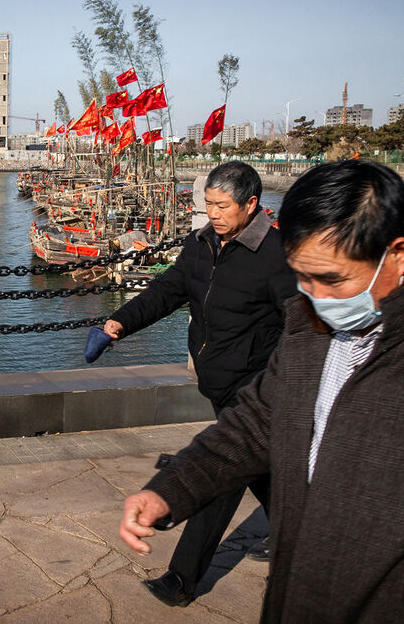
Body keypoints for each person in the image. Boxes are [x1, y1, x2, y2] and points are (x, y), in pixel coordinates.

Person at [120, 160, 404, 623]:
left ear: (400, 255)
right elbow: (254, 425)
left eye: (333, 279)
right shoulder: (309, 324)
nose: (313, 297)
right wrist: (172, 489)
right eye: (302, 277)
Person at [103, 161, 296, 606]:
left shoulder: (275, 255)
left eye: (222, 205)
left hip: (256, 388)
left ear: (251, 204)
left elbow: (299, 329)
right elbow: (168, 290)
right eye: (208, 203)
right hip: (217, 381)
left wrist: (281, 386)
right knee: (260, 469)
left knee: (221, 473)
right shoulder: (201, 243)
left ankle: (182, 579)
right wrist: (119, 322)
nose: (213, 212)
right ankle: (298, 536)